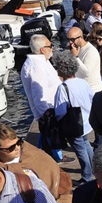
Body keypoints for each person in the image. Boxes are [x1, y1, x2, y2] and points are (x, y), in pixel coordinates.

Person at [20, 34, 69, 163]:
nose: (52, 48)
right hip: (47, 108)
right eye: (50, 46)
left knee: (46, 135)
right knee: (50, 134)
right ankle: (56, 157)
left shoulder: (42, 61)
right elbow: (38, 93)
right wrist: (45, 114)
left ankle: (42, 154)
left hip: (51, 106)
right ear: (42, 49)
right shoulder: (36, 67)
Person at [51, 51, 96, 183]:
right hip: (86, 122)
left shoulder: (63, 88)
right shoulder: (83, 82)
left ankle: (87, 176)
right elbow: (91, 98)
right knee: (86, 145)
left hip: (74, 125)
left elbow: (60, 111)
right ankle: (94, 169)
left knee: (80, 150)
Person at [66, 26, 102, 93]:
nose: (70, 42)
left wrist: (76, 57)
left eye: (72, 39)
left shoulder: (90, 51)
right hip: (81, 89)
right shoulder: (74, 49)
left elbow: (86, 73)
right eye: (68, 39)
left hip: (93, 91)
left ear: (81, 38)